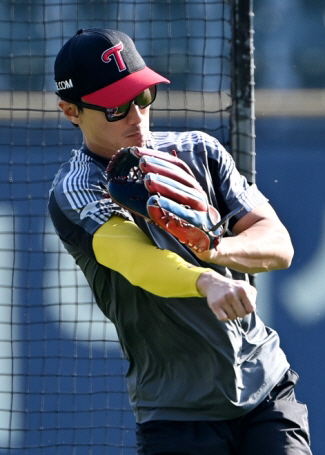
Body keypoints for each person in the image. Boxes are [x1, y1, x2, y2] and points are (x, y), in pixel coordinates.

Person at [48, 28, 311, 455]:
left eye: (143, 97)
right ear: (70, 111)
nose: (136, 117)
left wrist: (217, 250)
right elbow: (136, 260)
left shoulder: (198, 150)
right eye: (116, 107)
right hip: (176, 413)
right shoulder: (77, 189)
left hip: (266, 390)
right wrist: (207, 280)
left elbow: (279, 244)